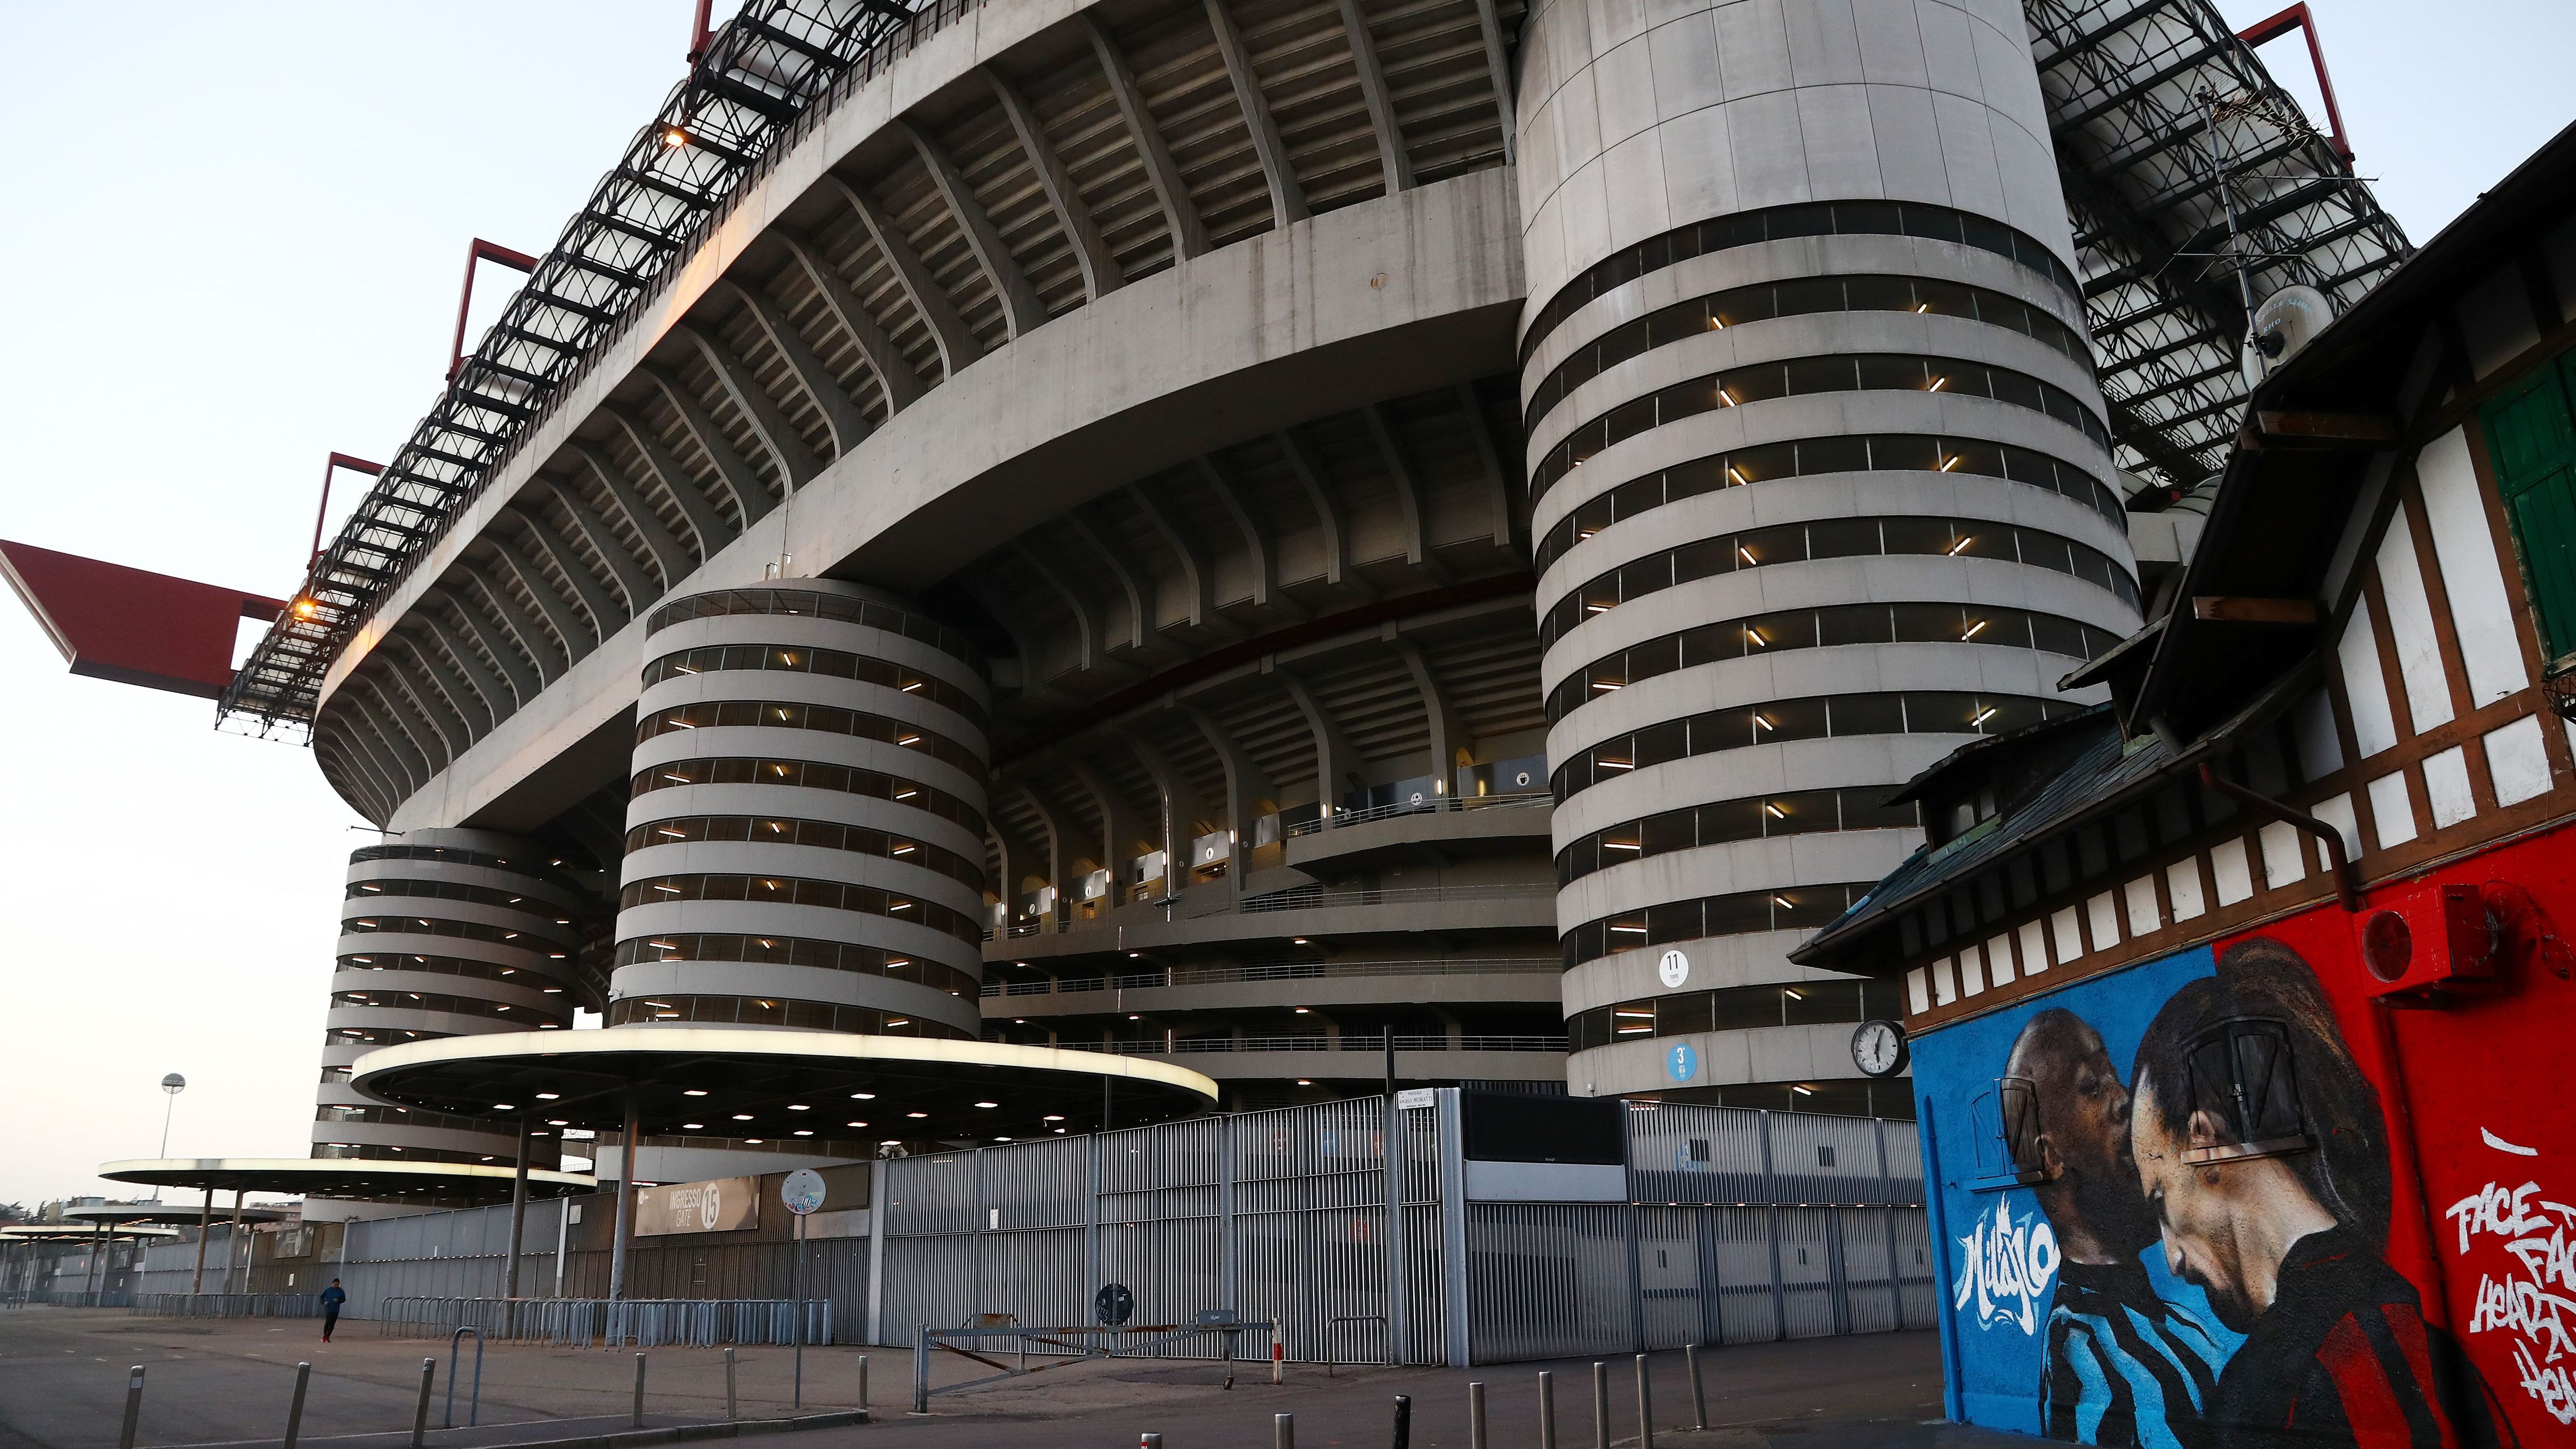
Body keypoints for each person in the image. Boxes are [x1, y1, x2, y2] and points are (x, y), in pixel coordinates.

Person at [2129, 941, 2515, 1447]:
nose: (2173, 1258)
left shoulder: (2273, 1392)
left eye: (2161, 1198)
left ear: (2209, 1141)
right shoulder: (2430, 1347)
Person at [2007, 1008, 2229, 1448]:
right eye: (2092, 1086)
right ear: (2051, 1157)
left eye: (2112, 1075)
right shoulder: (2081, 1347)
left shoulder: (2183, 1325)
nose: (2124, 1097)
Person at [319, 1278, 346, 1342]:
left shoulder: (341, 1291)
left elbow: (344, 1299)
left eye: (338, 1284)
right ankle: (325, 1335)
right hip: (329, 1309)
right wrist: (324, 1302)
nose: (336, 1285)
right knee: (328, 1322)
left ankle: (328, 1336)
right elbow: (322, 1297)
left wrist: (338, 1300)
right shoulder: (328, 1290)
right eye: (335, 1284)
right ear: (332, 1284)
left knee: (332, 1324)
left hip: (336, 1309)